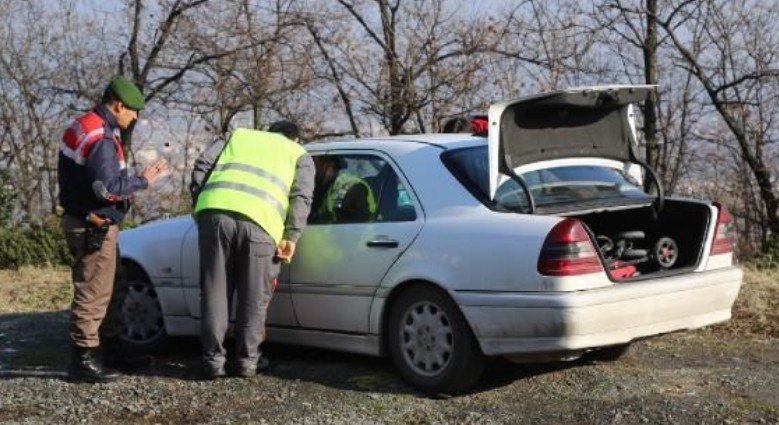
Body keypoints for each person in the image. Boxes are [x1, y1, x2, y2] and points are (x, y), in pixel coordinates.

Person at [58, 75, 169, 382]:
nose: (134, 118)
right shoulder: (102, 137)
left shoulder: (83, 123)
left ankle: (111, 350)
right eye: (133, 111)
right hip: (91, 224)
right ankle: (83, 360)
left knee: (112, 287)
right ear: (119, 105)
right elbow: (106, 188)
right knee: (94, 292)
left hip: (86, 220)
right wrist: (143, 180)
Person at [190, 121, 314, 379]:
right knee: (254, 297)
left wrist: (202, 204)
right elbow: (301, 197)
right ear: (296, 138)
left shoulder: (237, 136)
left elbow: (202, 166)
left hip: (215, 216)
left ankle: (213, 362)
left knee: (215, 292)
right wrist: (291, 235)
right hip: (262, 223)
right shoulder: (298, 153)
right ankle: (248, 362)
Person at [311, 155, 376, 223]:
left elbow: (357, 226)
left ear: (328, 163)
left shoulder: (351, 188)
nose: (307, 170)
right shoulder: (324, 186)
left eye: (312, 162)